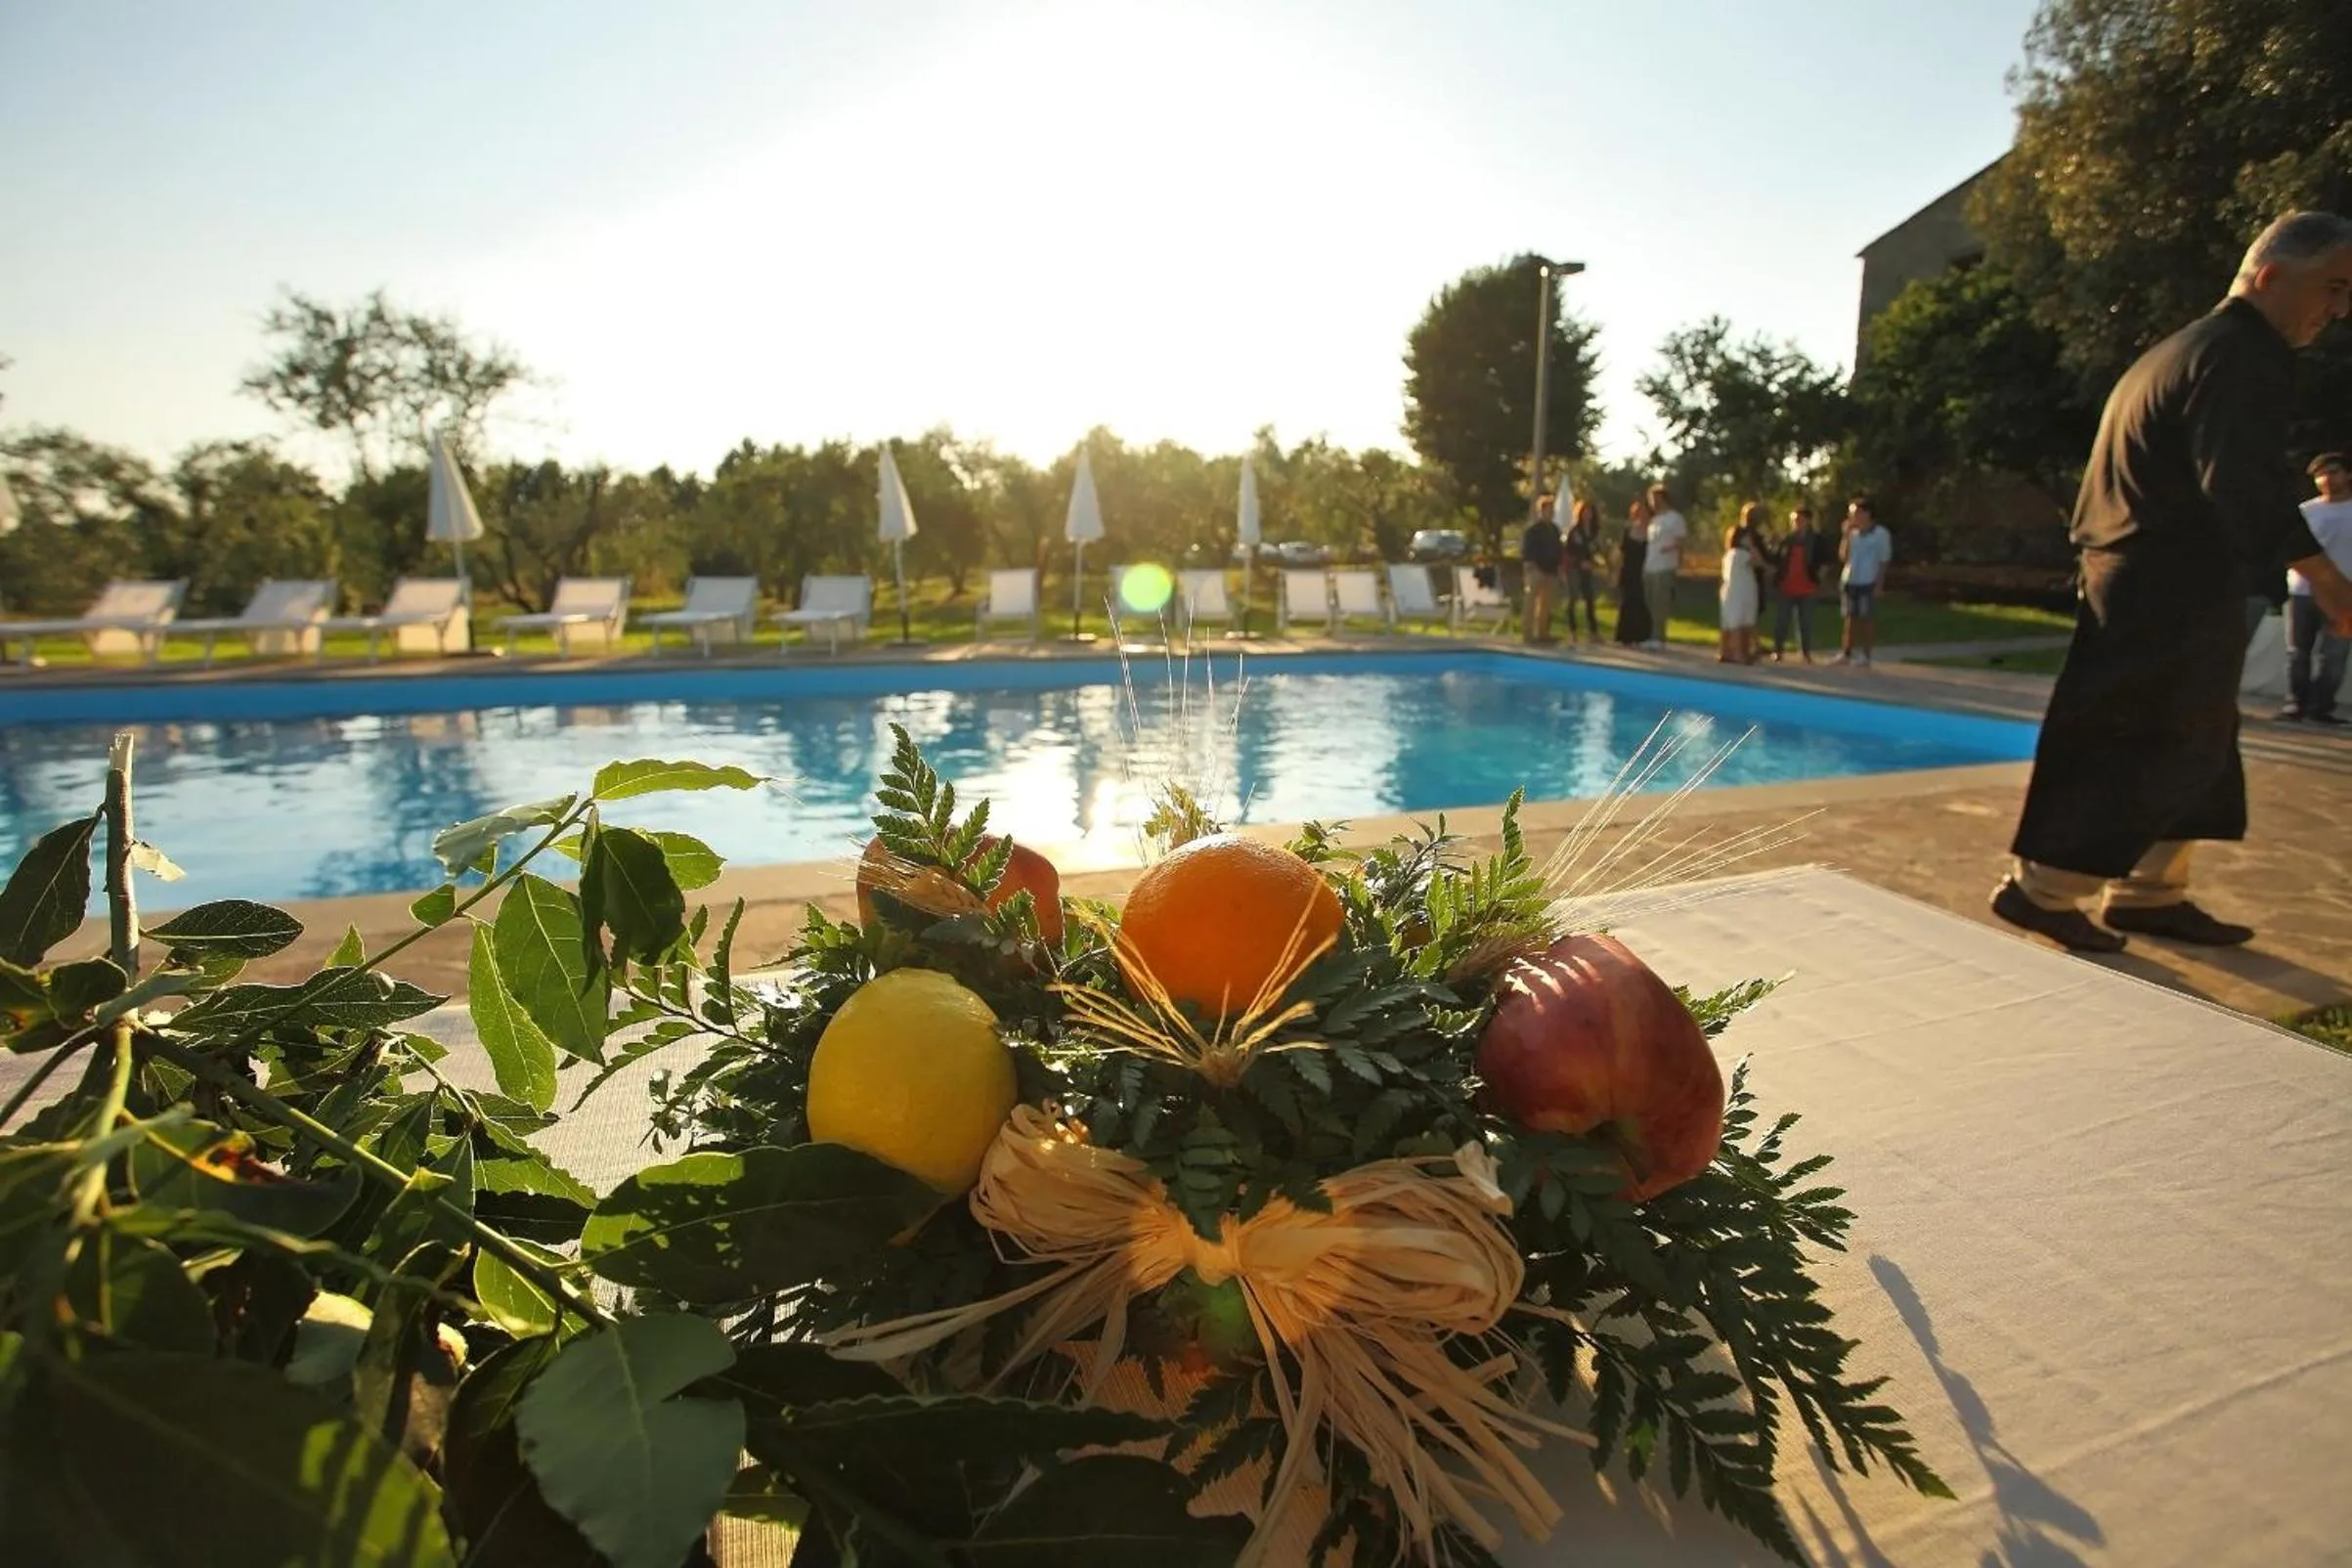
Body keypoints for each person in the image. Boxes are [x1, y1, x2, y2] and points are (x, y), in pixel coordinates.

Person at [1994, 210, 2352, 954]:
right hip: (2164, 579)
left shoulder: (2185, 349)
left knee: (2194, 739)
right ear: (2270, 277)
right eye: (2332, 287)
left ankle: (2149, 893)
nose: (2339, 309)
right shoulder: (2240, 354)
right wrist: (2323, 574)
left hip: (2150, 571)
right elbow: (2242, 481)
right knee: (2134, 734)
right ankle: (2042, 892)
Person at [2283, 452, 2352, 723]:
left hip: (2343, 593)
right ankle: (2295, 704)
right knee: (2297, 652)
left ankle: (2321, 707)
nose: (2326, 479)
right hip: (2302, 590)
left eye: (2333, 472)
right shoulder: (2305, 511)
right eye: (2320, 475)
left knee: (2334, 654)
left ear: (2348, 475)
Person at [1834, 498, 1892, 666]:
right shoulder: (1852, 534)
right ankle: (1846, 652)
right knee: (1849, 618)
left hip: (1869, 580)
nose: (1852, 517)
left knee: (1866, 618)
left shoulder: (1880, 534)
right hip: (1850, 579)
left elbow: (1884, 560)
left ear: (1866, 514)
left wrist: (1879, 584)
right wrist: (1845, 536)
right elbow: (1843, 557)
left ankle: (1866, 655)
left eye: (1855, 513)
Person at [1766, 502, 1826, 662]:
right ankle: (1778, 650)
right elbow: (1775, 558)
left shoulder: (1816, 540)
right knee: (1782, 621)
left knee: (1805, 622)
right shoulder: (1787, 539)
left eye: (1799, 520)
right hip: (1787, 586)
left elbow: (1825, 560)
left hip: (1807, 586)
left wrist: (1819, 578)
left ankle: (1805, 652)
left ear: (1808, 521)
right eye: (1794, 520)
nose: (1796, 523)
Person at [1641, 483, 1686, 651]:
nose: (1652, 502)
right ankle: (1650, 635)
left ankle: (1659, 637)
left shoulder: (1675, 518)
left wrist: (1672, 552)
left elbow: (1680, 542)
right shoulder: (1654, 520)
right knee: (1650, 601)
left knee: (1661, 603)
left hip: (1665, 566)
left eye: (1654, 499)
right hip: (1650, 565)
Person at [1719, 505, 1764, 664]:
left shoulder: (1729, 555)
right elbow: (1759, 562)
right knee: (1740, 622)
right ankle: (1739, 653)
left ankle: (1726, 651)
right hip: (1741, 591)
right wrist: (1752, 547)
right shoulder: (1742, 554)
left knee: (1729, 622)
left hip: (1730, 590)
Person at [1519, 497, 1564, 644]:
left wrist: (1558, 566)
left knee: (1546, 604)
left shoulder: (1555, 530)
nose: (1550, 513)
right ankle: (1527, 633)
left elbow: (1558, 549)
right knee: (1530, 602)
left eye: (1552, 510)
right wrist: (1530, 566)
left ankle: (1543, 632)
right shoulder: (1533, 530)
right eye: (1548, 510)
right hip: (1536, 569)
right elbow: (1527, 550)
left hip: (1551, 570)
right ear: (1541, 511)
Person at [1561, 499, 1603, 641]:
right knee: (1573, 598)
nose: (1587, 514)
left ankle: (1593, 632)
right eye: (1585, 511)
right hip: (1574, 568)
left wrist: (1597, 562)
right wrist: (1579, 563)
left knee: (1590, 598)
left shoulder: (1594, 532)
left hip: (1589, 569)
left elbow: (1597, 550)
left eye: (1590, 511)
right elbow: (1568, 552)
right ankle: (1572, 631)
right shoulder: (1574, 531)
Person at [1614, 498, 1653, 646]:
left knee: (1641, 602)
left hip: (1644, 569)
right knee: (1627, 601)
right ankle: (1625, 635)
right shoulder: (1628, 531)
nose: (1642, 515)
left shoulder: (1651, 532)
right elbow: (1621, 552)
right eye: (1638, 513)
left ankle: (1641, 635)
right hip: (1628, 570)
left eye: (1644, 512)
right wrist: (1616, 571)